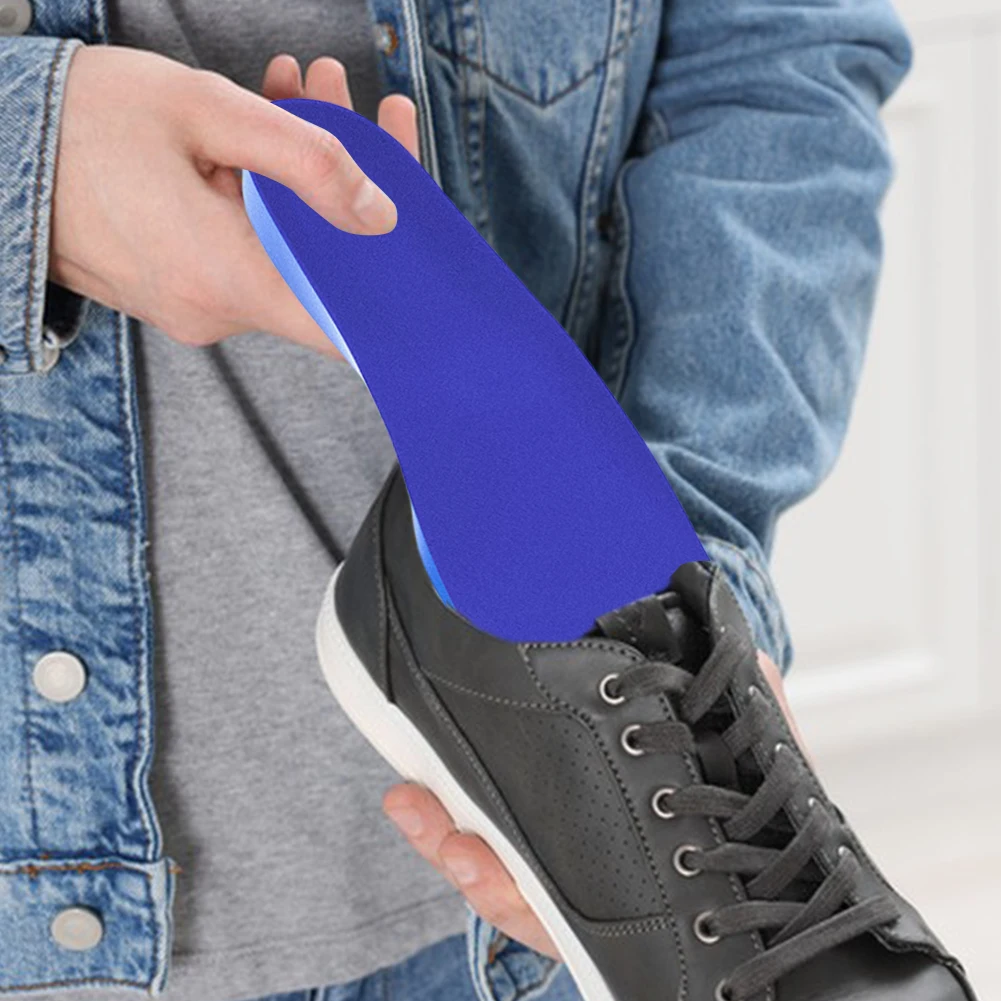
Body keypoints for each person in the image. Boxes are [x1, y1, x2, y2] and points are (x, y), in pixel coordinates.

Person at [0, 0, 920, 1000]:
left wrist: (688, 604)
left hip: (521, 897)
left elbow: (774, 57)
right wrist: (31, 154)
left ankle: (528, 625)